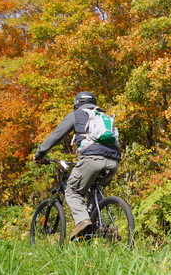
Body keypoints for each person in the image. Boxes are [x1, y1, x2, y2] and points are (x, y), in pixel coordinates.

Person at [34, 91, 121, 240]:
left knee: (72, 191)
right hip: (114, 161)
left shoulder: (77, 115)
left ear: (76, 104)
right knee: (92, 188)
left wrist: (40, 154)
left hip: (92, 158)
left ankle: (83, 221)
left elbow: (56, 135)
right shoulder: (104, 116)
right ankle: (100, 226)